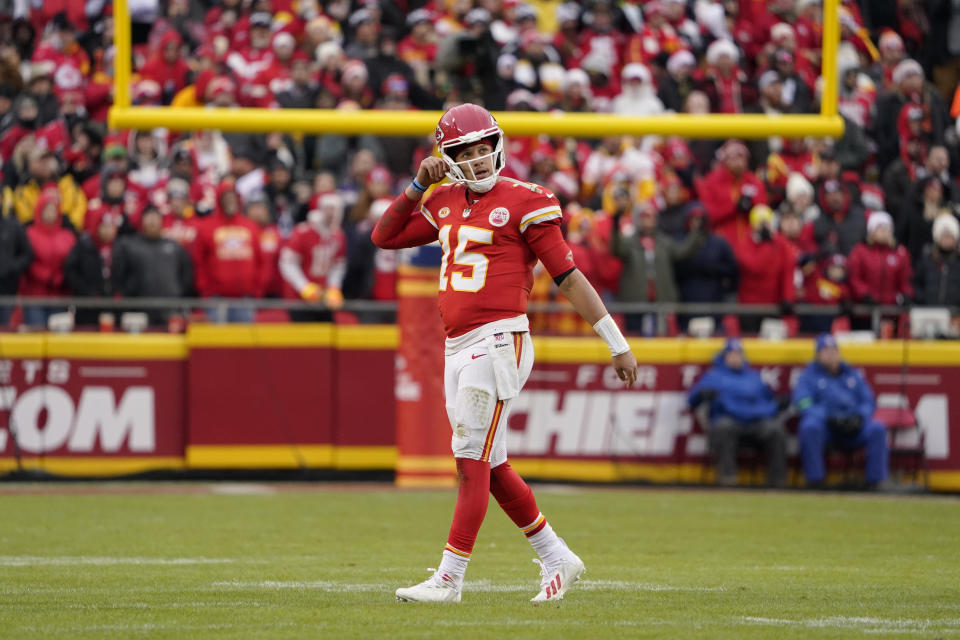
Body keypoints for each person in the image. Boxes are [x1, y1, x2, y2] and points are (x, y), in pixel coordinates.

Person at [372, 104, 639, 604]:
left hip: (498, 340)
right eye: (463, 152)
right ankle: (557, 555)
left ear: (497, 144)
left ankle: (449, 579)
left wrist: (616, 342)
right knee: (490, 467)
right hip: (458, 346)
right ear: (447, 157)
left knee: (469, 458)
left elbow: (568, 277)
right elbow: (383, 237)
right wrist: (416, 187)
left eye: (481, 148)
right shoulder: (446, 199)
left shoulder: (525, 200)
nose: (475, 160)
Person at [687, 339, 788, 487]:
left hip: (756, 421)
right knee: (723, 427)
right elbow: (691, 400)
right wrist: (701, 394)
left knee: (776, 430)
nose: (735, 357)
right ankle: (728, 479)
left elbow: (769, 398)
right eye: (731, 354)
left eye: (738, 354)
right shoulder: (714, 376)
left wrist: (778, 403)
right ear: (724, 357)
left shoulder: (753, 377)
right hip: (729, 420)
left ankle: (778, 482)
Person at [793, 334, 889, 488]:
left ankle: (875, 481)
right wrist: (827, 417)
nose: (831, 354)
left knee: (877, 428)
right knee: (809, 427)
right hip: (827, 426)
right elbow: (803, 403)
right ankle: (815, 480)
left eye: (833, 350)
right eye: (826, 351)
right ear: (818, 355)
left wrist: (859, 416)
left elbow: (868, 401)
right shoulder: (808, 376)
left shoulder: (853, 374)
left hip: (853, 424)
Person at [112, 207, 194, 326]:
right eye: (148, 218)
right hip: (138, 311)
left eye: (155, 218)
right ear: (142, 221)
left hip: (169, 310)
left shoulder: (174, 246)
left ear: (161, 221)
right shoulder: (129, 246)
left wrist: (178, 293)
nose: (152, 222)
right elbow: (118, 275)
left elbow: (186, 274)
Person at [913, 214, 960, 307]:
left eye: (950, 236)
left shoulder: (958, 262)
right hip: (929, 312)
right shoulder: (927, 260)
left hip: (955, 314)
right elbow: (915, 284)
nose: (947, 240)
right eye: (944, 236)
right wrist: (923, 299)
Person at [0, 212, 33, 326]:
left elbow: (27, 254)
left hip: (7, 290)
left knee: (5, 332)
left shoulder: (13, 226)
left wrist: (11, 268)